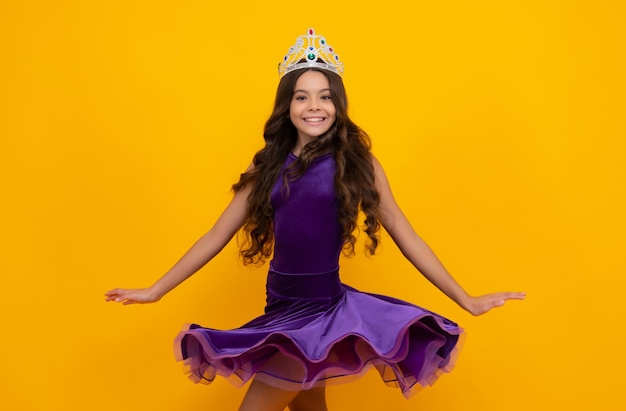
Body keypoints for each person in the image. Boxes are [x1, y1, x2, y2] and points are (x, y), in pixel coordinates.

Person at [105, 28, 525, 411]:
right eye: (302, 96)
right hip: (280, 306)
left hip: (319, 313)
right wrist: (155, 290)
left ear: (338, 105)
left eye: (325, 96)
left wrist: (465, 298)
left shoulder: (357, 163)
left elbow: (404, 231)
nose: (314, 107)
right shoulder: (268, 166)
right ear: (286, 106)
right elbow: (215, 234)